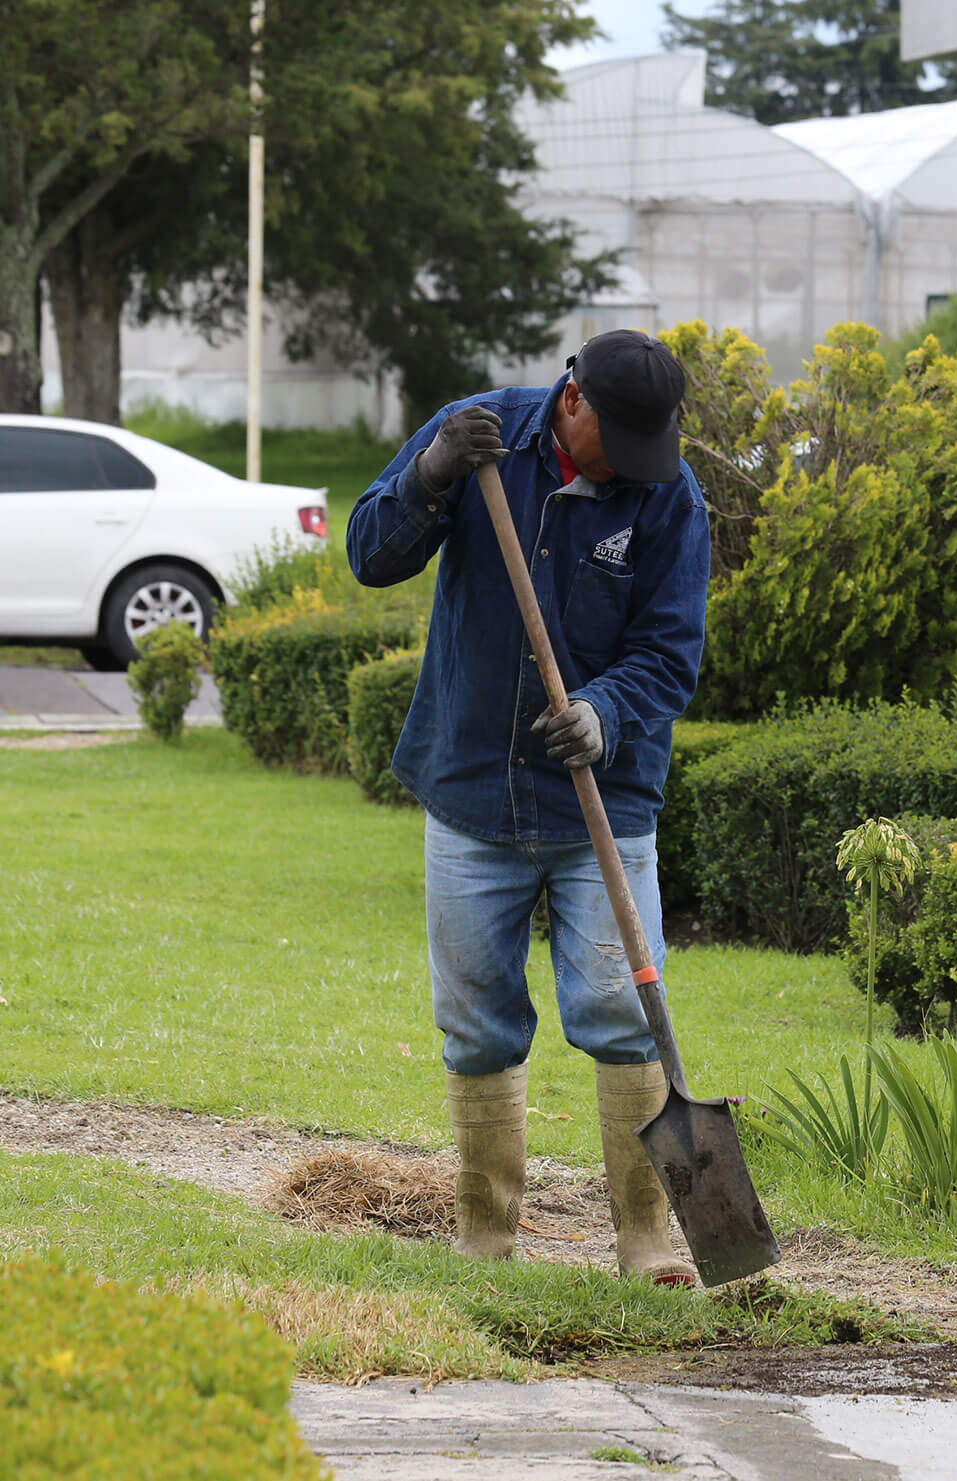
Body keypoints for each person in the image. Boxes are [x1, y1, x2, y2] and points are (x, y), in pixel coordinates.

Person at [347, 330, 711, 1286]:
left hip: (605, 801)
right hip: (474, 785)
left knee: (622, 1011)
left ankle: (647, 1241)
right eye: (618, 444)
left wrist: (605, 711)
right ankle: (487, 1234)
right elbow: (369, 555)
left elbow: (672, 651)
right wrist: (429, 474)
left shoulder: (668, 493)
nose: (631, 468)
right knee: (476, 1020)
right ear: (572, 400)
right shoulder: (477, 440)